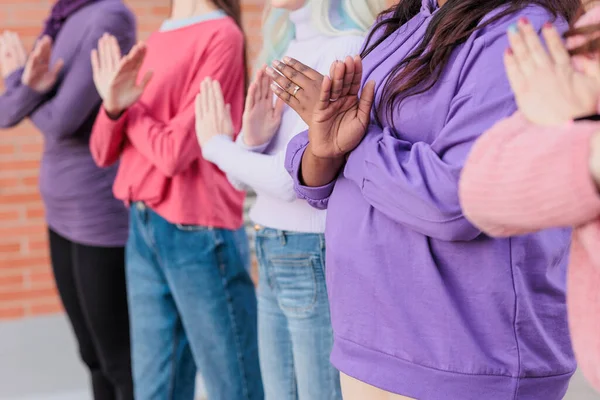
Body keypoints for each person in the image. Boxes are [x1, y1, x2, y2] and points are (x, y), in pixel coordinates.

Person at [273, 0, 580, 398]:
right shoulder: (403, 23)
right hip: (368, 346)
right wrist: (327, 145)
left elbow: (458, 199)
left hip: (463, 362)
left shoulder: (522, 29)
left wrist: (355, 144)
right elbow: (316, 160)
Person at [194, 0, 383, 398]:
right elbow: (239, 176)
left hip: (310, 250)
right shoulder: (288, 44)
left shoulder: (345, 47)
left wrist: (215, 145)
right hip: (271, 244)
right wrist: (251, 139)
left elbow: (289, 181)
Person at [88, 0, 263, 399]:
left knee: (234, 386)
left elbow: (175, 153)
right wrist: (114, 105)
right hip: (143, 227)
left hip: (198, 232)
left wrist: (128, 111)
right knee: (154, 390)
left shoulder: (222, 35)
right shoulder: (161, 34)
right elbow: (101, 151)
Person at [459, 4, 600, 393]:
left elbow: (444, 201)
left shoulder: (539, 24)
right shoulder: (591, 36)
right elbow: (480, 189)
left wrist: (572, 131)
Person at [0, 1, 135, 399]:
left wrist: (25, 85)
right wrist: (28, 88)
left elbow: (62, 121)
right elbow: (7, 111)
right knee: (90, 354)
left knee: (118, 359)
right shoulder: (62, 17)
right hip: (59, 211)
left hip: (97, 214)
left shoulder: (110, 17)